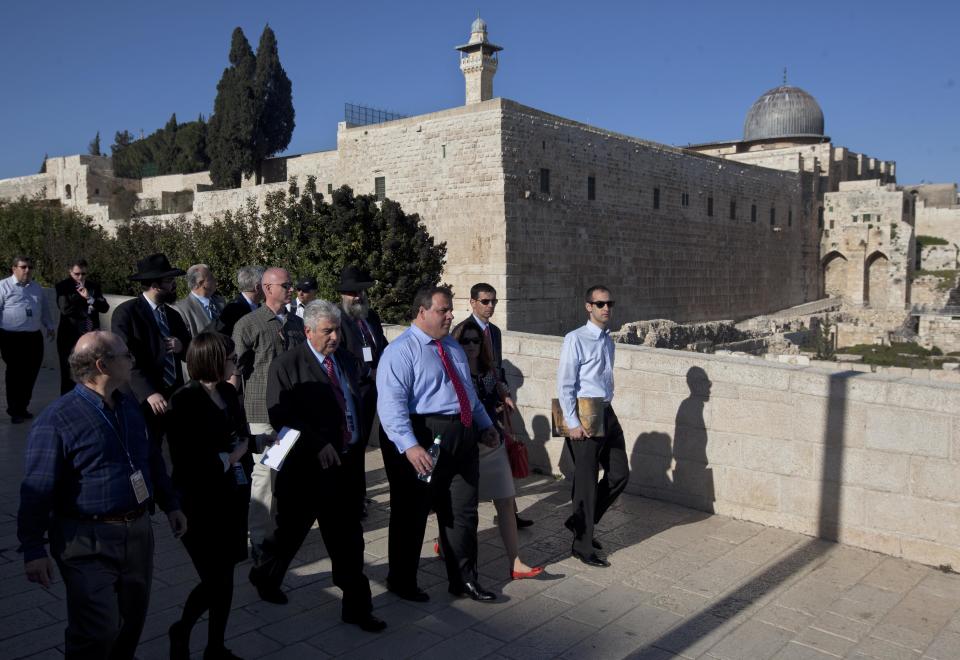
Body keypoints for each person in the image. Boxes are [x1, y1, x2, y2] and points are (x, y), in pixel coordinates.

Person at [17, 331, 187, 660]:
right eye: (126, 356)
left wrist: (171, 504)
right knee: (97, 629)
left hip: (137, 532)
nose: (132, 360)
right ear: (102, 365)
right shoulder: (57, 420)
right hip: (85, 539)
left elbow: (150, 458)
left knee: (131, 620)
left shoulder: (129, 406)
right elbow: (36, 490)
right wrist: (33, 549)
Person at [250, 300, 385, 632]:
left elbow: (357, 398)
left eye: (337, 329)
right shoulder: (287, 365)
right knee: (288, 534)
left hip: (345, 466)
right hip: (306, 471)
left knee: (348, 540)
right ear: (308, 331)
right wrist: (317, 443)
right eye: (328, 331)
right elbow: (279, 414)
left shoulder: (346, 360)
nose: (335, 337)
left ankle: (356, 606)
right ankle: (266, 576)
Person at [377, 286, 500, 603]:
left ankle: (463, 579)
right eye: (443, 310)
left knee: (463, 511)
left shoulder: (453, 348)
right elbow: (391, 405)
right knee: (412, 512)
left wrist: (485, 425)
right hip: (424, 434)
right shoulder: (401, 351)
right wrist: (409, 446)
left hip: (462, 435)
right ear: (422, 311)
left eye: (450, 310)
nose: (450, 316)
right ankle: (402, 579)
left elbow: (467, 393)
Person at [167, 332, 252, 660]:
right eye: (230, 357)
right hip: (198, 504)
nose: (234, 363)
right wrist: (230, 457)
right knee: (214, 579)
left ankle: (216, 646)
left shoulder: (229, 393)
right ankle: (182, 629)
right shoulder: (184, 400)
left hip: (231, 498)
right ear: (214, 360)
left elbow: (241, 434)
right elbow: (187, 458)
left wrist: (249, 447)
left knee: (227, 578)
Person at [451, 319, 543, 580]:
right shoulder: (454, 373)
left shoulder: (489, 372)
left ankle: (516, 562)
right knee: (462, 507)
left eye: (475, 341)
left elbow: (492, 400)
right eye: (465, 340)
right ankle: (447, 544)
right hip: (468, 446)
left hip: (494, 444)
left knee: (505, 501)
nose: (471, 345)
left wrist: (502, 402)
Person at [232, 267, 306, 560]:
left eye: (291, 284)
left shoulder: (298, 324)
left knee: (287, 476)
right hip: (262, 412)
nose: (291, 289)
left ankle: (281, 531)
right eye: (285, 285)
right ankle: (259, 539)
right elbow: (235, 369)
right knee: (264, 476)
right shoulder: (249, 324)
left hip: (292, 414)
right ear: (267, 288)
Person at [556, 285, 630, 567]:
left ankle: (579, 522)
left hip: (606, 410)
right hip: (584, 411)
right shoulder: (575, 339)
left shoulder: (608, 340)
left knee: (619, 474)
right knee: (585, 484)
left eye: (609, 303)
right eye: (600, 304)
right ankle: (582, 546)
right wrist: (572, 422)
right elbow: (565, 383)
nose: (606, 308)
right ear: (588, 306)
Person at [461, 282, 532, 529]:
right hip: (473, 412)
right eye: (485, 301)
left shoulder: (495, 332)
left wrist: (504, 393)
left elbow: (496, 369)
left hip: (493, 407)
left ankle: (509, 513)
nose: (490, 306)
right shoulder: (463, 331)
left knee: (501, 463)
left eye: (494, 301)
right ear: (472, 302)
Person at [110, 253, 191, 444]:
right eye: (169, 280)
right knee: (147, 451)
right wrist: (148, 392)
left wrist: (181, 346)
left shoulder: (172, 315)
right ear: (155, 285)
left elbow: (191, 352)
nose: (173, 285)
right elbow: (125, 358)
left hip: (173, 395)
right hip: (141, 398)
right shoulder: (127, 313)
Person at [337, 265, 389, 517]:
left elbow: (383, 347)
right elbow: (340, 357)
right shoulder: (337, 320)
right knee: (353, 446)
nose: (357, 297)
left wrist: (386, 367)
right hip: (351, 391)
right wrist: (369, 373)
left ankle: (359, 494)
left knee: (361, 448)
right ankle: (351, 498)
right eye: (351, 293)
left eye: (360, 292)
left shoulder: (371, 317)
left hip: (373, 393)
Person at [0, 255, 55, 422]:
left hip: (33, 337)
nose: (27, 270)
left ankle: (23, 407)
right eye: (23, 267)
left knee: (31, 373)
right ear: (14, 268)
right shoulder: (3, 286)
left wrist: (50, 326)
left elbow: (44, 309)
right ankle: (14, 410)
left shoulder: (36, 288)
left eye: (30, 267)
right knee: (15, 374)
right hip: (11, 337)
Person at [55, 258, 110, 394]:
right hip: (70, 336)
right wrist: (87, 308)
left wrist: (89, 298)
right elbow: (65, 309)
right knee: (69, 374)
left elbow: (104, 307)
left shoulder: (93, 287)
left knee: (90, 373)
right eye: (77, 274)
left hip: (91, 336)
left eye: (83, 274)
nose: (80, 277)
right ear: (70, 272)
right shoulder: (63, 286)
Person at [175, 264, 226, 338]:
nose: (215, 279)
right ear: (201, 283)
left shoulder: (220, 301)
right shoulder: (182, 309)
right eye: (211, 277)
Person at [215, 265, 264, 338]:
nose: (269, 288)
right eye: (266, 284)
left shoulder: (260, 307)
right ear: (257, 287)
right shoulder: (233, 310)